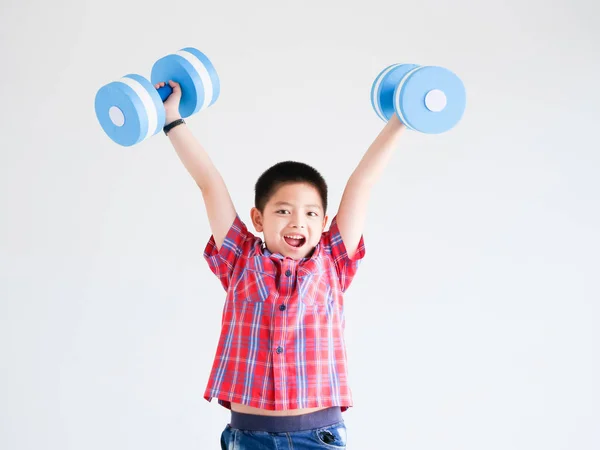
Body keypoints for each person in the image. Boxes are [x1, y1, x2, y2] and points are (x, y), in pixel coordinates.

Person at [156, 79, 405, 449]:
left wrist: (400, 118)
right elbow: (208, 182)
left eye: (309, 214)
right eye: (284, 211)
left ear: (323, 223)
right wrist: (172, 119)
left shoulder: (333, 261)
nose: (296, 223)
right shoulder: (240, 258)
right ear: (258, 219)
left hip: (317, 437)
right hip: (248, 436)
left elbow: (361, 184)